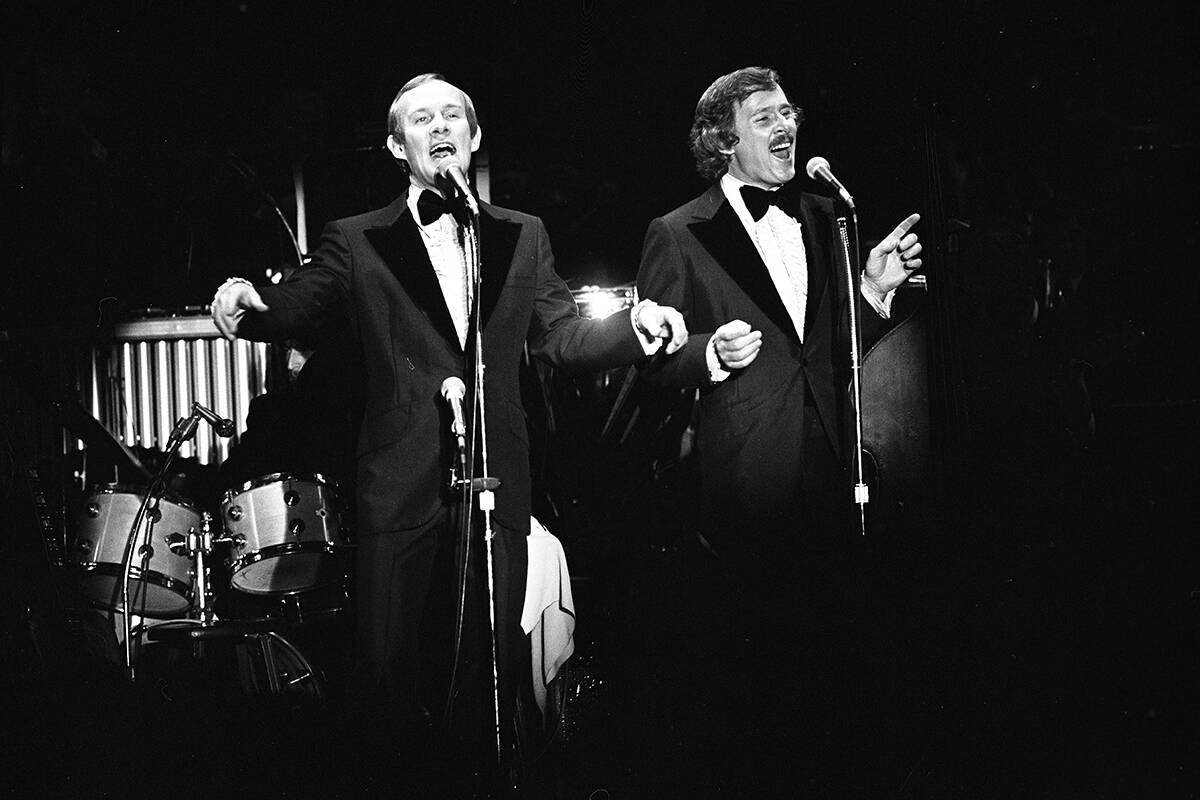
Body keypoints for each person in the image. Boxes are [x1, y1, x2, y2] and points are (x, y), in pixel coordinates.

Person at [210, 73, 688, 785]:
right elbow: (300, 304)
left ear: (474, 137)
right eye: (422, 119)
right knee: (387, 674)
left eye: (454, 116)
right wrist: (251, 299)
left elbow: (559, 333)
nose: (440, 127)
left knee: (486, 678)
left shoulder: (522, 235)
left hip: (498, 477)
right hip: (397, 481)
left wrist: (634, 327)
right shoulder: (358, 239)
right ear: (397, 146)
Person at [632, 66, 925, 788]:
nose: (784, 123)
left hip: (837, 465)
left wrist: (871, 293)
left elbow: (827, 350)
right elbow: (657, 364)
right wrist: (706, 354)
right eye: (764, 116)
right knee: (758, 676)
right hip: (746, 477)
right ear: (723, 140)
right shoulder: (677, 232)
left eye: (788, 111)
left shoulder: (827, 216)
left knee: (844, 665)